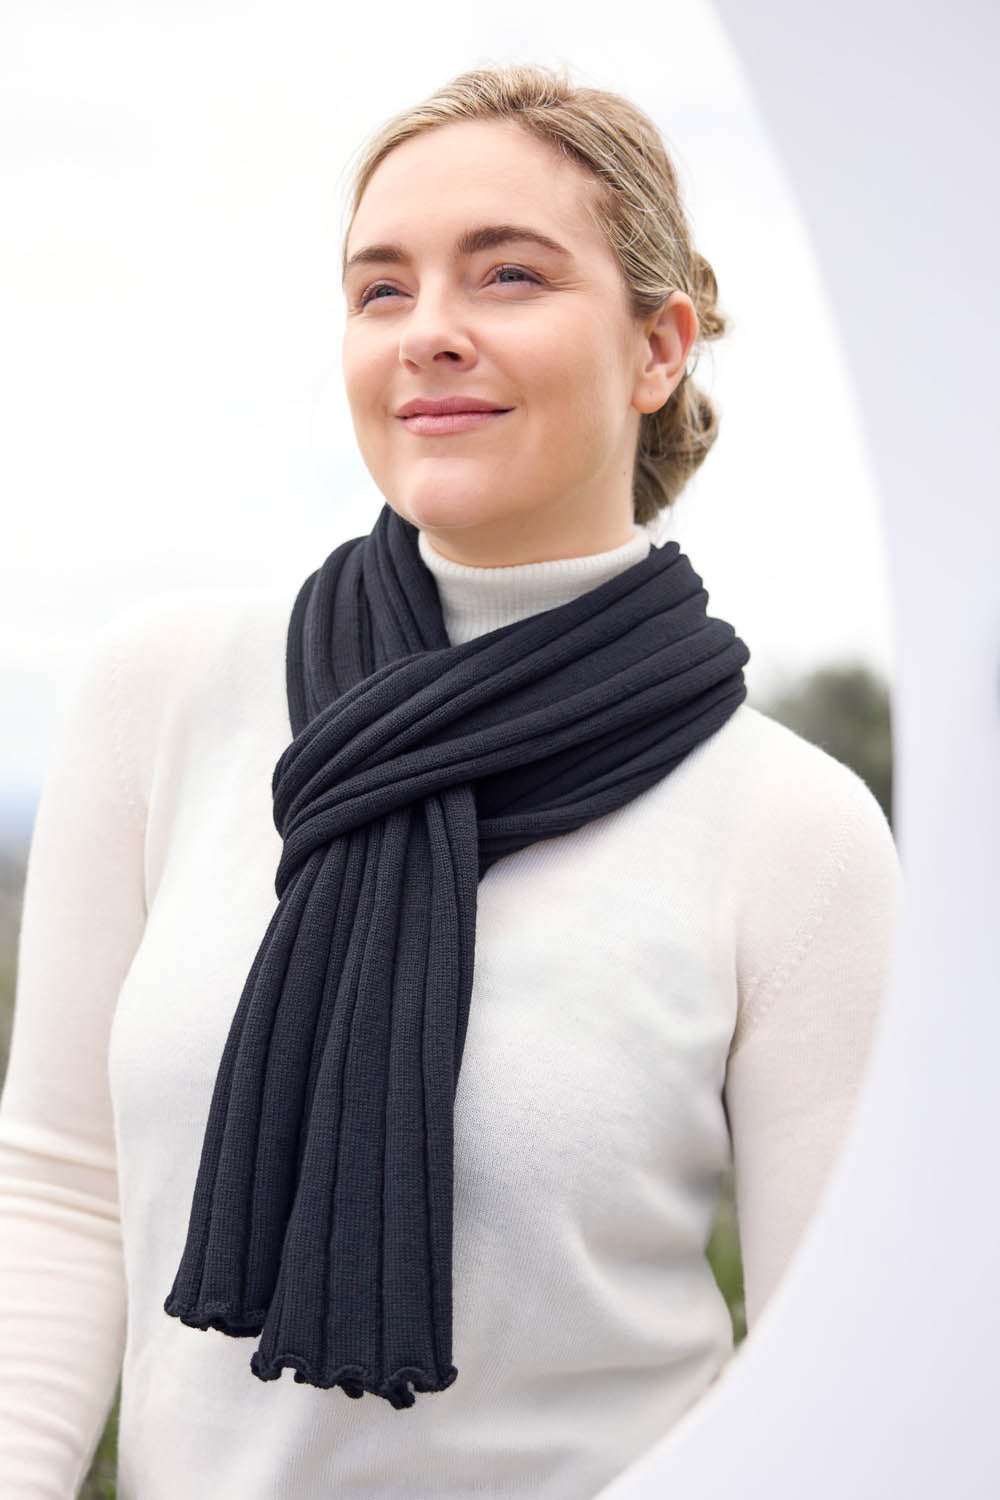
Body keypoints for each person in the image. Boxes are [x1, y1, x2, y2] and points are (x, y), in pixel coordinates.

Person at [0, 61, 901, 1500]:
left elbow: (827, 1365)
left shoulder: (793, 834)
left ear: (658, 348)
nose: (430, 334)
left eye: (509, 277)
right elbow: (59, 1182)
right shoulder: (167, 695)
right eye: (381, 290)